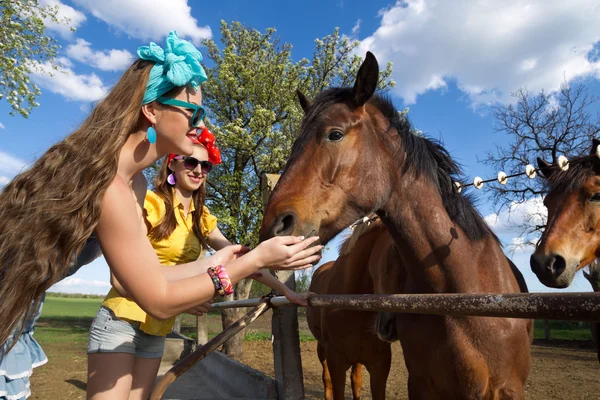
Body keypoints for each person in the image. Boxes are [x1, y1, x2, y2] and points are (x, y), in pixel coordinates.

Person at [0, 31, 322, 399]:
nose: (200, 126)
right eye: (191, 112)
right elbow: (155, 296)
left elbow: (154, 276)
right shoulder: (114, 187)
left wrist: (224, 263)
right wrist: (248, 263)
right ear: (151, 110)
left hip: (18, 315)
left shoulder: (131, 184)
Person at [87, 131, 311, 399]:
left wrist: (286, 292)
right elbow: (121, 282)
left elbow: (241, 258)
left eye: (205, 165)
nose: (198, 170)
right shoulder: (148, 204)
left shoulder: (201, 218)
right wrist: (183, 298)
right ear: (172, 163)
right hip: (121, 320)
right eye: (190, 162)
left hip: (158, 328)